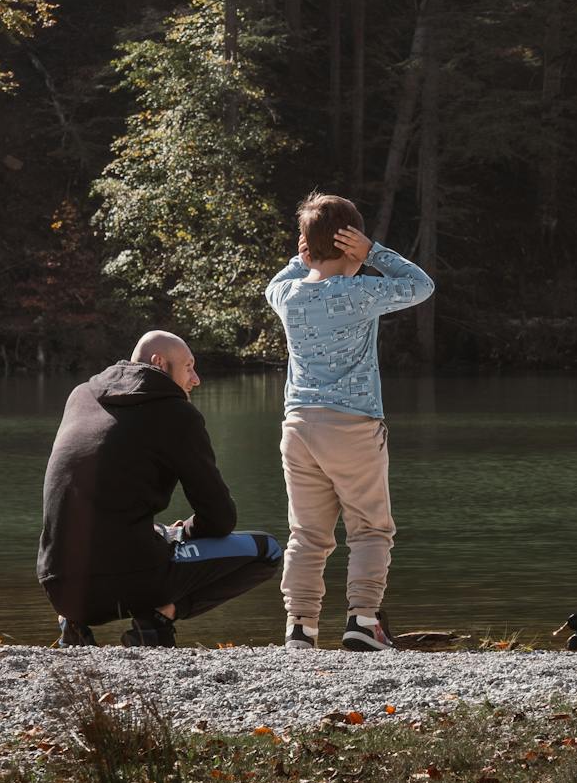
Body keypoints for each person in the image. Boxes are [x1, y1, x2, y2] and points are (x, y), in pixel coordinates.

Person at [264, 192, 434, 651]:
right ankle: (361, 620)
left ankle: (300, 627)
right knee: (370, 527)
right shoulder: (361, 292)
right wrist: (373, 252)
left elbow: (274, 283)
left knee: (306, 533)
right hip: (353, 426)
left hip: (299, 425)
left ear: (306, 247)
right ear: (351, 244)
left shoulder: (287, 295)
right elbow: (421, 286)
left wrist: (306, 257)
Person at [37, 330, 282, 647]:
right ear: (159, 363)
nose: (196, 379)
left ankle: (75, 625)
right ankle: (158, 618)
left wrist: (164, 534)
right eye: (189, 367)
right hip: (129, 583)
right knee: (268, 551)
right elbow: (220, 518)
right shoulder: (177, 413)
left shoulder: (81, 397)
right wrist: (182, 533)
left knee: (113, 529)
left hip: (59, 586)